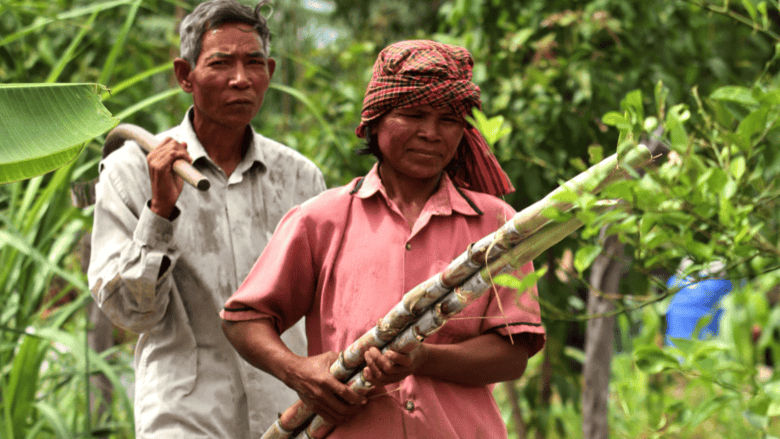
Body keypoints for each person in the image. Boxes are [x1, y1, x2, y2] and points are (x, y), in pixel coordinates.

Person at [221, 40, 546, 438]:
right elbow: (244, 319)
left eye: (448, 120)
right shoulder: (321, 220)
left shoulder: (495, 224)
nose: (430, 133)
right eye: (412, 114)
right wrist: (299, 371)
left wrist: (422, 358)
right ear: (375, 120)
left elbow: (512, 357)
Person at [87, 1, 326, 437]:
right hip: (185, 420)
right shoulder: (132, 169)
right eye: (220, 63)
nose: (240, 78)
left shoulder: (300, 176)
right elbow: (129, 314)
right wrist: (159, 212)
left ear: (269, 71)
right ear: (185, 75)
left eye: (254, 62)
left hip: (290, 415)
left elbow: (327, 306)